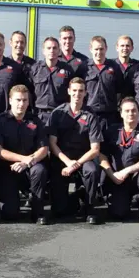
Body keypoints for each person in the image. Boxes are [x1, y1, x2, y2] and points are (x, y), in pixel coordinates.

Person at [48, 78, 103, 224]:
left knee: (91, 171)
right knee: (59, 211)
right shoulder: (57, 113)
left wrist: (76, 164)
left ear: (85, 93)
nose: (77, 94)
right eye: (74, 90)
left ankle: (90, 208)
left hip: (84, 158)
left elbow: (95, 149)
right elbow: (52, 143)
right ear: (68, 91)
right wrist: (67, 162)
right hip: (62, 159)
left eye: (80, 91)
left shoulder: (91, 115)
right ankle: (76, 198)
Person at [0, 85, 49, 225]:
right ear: (10, 100)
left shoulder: (35, 121)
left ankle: (38, 212)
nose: (21, 104)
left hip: (30, 167)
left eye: (24, 100)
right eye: (18, 100)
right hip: (7, 169)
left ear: (28, 102)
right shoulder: (0, 121)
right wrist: (23, 159)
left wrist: (27, 162)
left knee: (39, 170)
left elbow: (44, 148)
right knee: (9, 214)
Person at [99, 97, 139, 226]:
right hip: (116, 178)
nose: (131, 114)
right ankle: (124, 201)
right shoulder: (112, 131)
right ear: (121, 113)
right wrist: (111, 174)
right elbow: (102, 156)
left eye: (134, 110)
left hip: (136, 177)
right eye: (127, 111)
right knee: (118, 214)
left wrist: (127, 170)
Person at [77, 36, 124, 129]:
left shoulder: (115, 67)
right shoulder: (84, 67)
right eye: (96, 49)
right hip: (88, 114)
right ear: (91, 49)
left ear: (106, 49)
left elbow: (120, 91)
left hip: (109, 117)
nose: (99, 52)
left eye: (101, 49)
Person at [26, 37, 76, 124]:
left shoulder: (68, 70)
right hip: (38, 116)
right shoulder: (35, 69)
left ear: (59, 50)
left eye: (54, 48)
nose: (51, 50)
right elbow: (28, 92)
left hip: (60, 115)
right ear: (43, 51)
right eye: (48, 48)